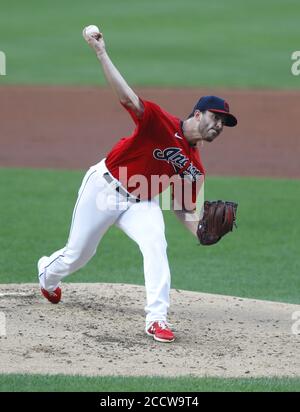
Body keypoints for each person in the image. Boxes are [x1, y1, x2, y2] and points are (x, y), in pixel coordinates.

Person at [37, 26, 238, 343]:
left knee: (156, 243)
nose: (218, 126)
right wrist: (101, 52)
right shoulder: (160, 120)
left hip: (141, 203)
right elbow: (127, 98)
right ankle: (47, 274)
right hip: (104, 188)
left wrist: (201, 231)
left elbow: (182, 208)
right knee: (78, 256)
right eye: (215, 118)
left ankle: (156, 319)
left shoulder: (195, 167)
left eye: (223, 124)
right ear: (197, 114)